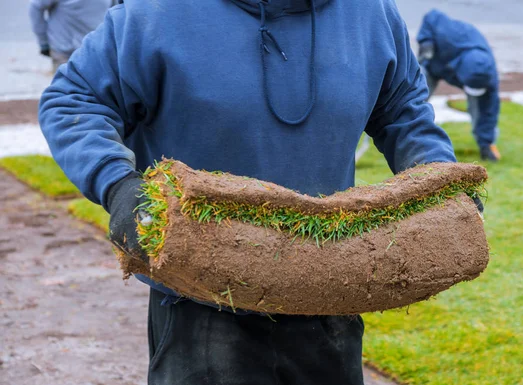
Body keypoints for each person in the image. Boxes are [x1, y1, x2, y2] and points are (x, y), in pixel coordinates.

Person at [39, 1, 460, 383]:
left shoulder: (371, 14)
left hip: (331, 292)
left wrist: (442, 184)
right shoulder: (153, 14)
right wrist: (118, 184)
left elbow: (405, 112)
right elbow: (74, 100)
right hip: (200, 304)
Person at [417, 9, 502, 162]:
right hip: (433, 64)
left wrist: (487, 143)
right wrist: (426, 42)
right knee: (414, 98)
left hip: (455, 66)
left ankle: (485, 143)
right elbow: (431, 16)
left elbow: (489, 111)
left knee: (479, 106)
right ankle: (399, 135)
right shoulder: (449, 35)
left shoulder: (488, 76)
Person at [28, 0, 115, 72]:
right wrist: (43, 41)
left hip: (95, 54)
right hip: (66, 54)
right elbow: (35, 7)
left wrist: (43, 42)